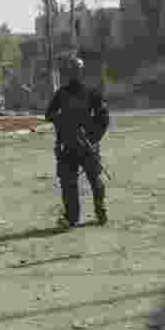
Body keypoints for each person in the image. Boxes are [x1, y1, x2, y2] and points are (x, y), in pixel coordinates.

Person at [44, 56, 109, 229]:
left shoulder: (92, 93)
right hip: (67, 146)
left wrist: (92, 138)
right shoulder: (61, 94)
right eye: (69, 72)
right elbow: (49, 114)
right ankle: (72, 217)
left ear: (81, 72)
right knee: (68, 183)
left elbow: (103, 119)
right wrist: (62, 120)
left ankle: (100, 210)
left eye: (75, 71)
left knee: (95, 180)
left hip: (87, 145)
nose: (72, 75)